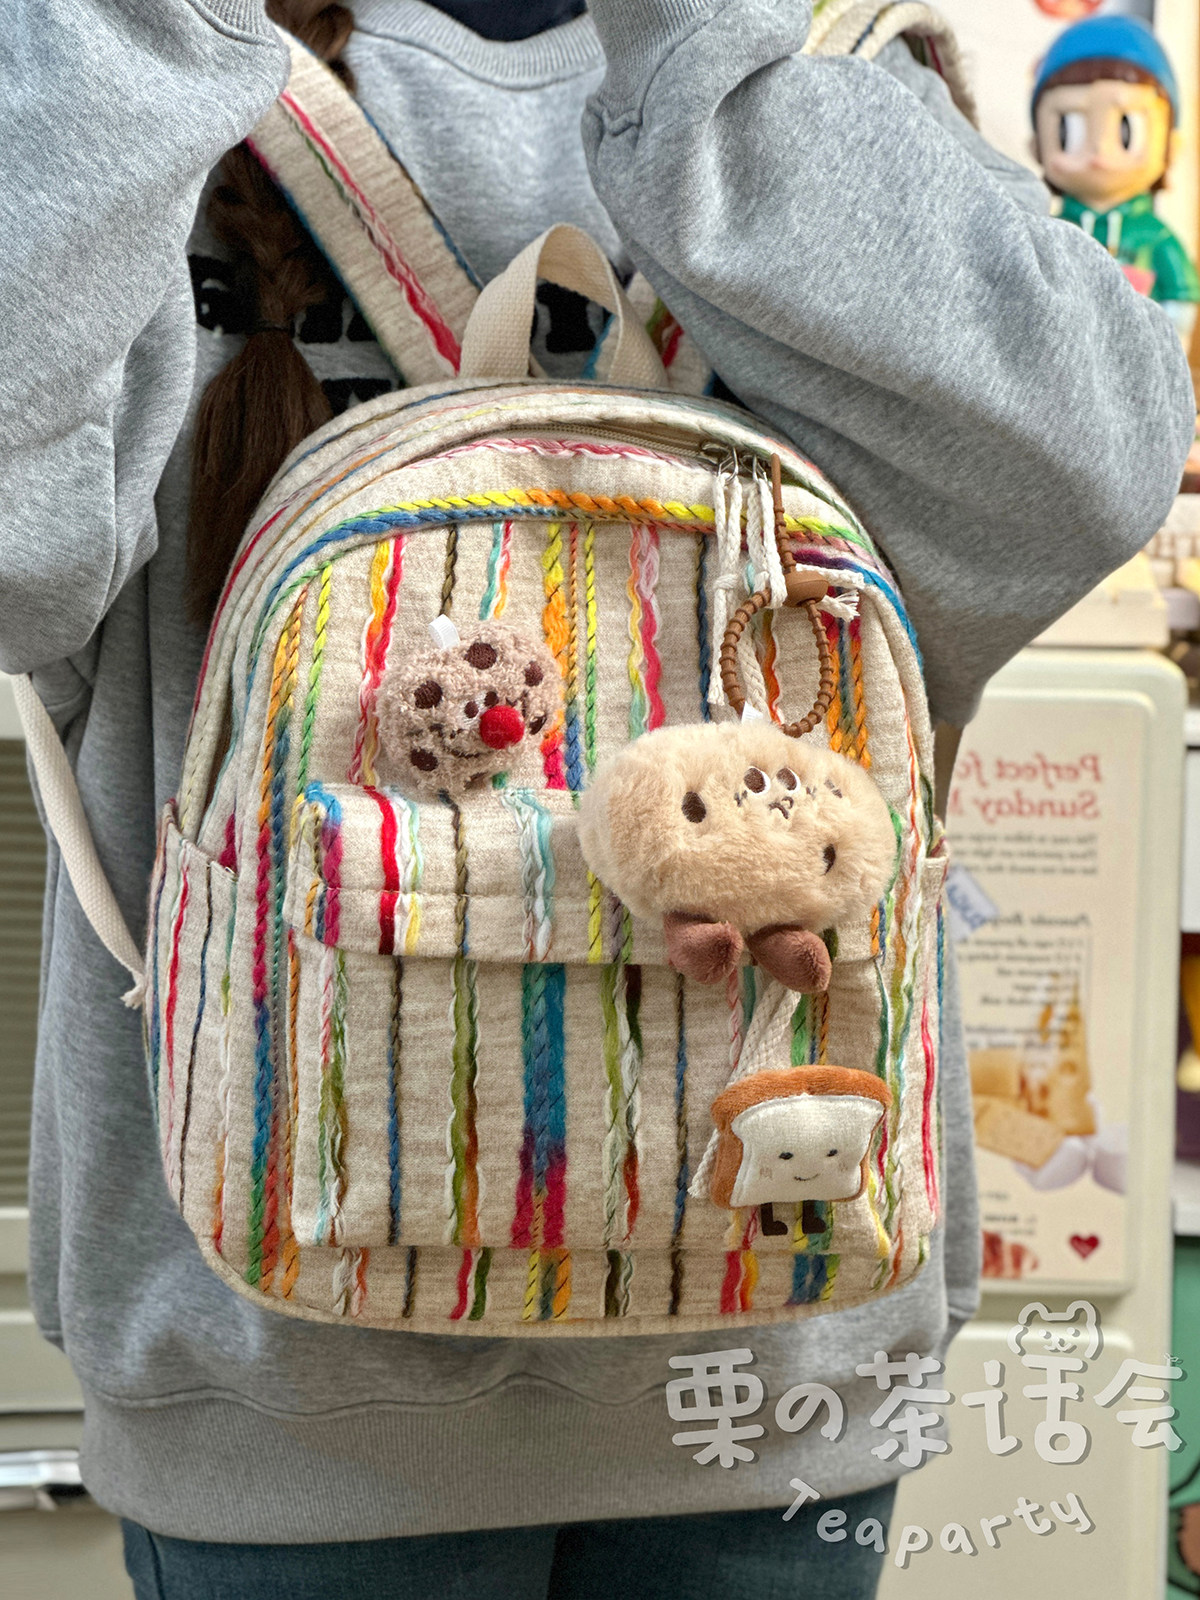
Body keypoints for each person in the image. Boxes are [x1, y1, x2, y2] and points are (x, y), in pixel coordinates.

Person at [1, 2, 1192, 1596]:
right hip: (294, 1401)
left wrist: (712, 64)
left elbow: (1091, 473)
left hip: (771, 1376)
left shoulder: (817, 64)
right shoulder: (141, 57)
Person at [1031, 13, 1200, 342]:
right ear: (1036, 144)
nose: (1099, 151)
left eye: (1126, 129)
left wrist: (1170, 346)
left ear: (1171, 145)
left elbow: (1180, 296)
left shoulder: (1156, 237)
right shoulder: (1051, 231)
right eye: (1069, 128)